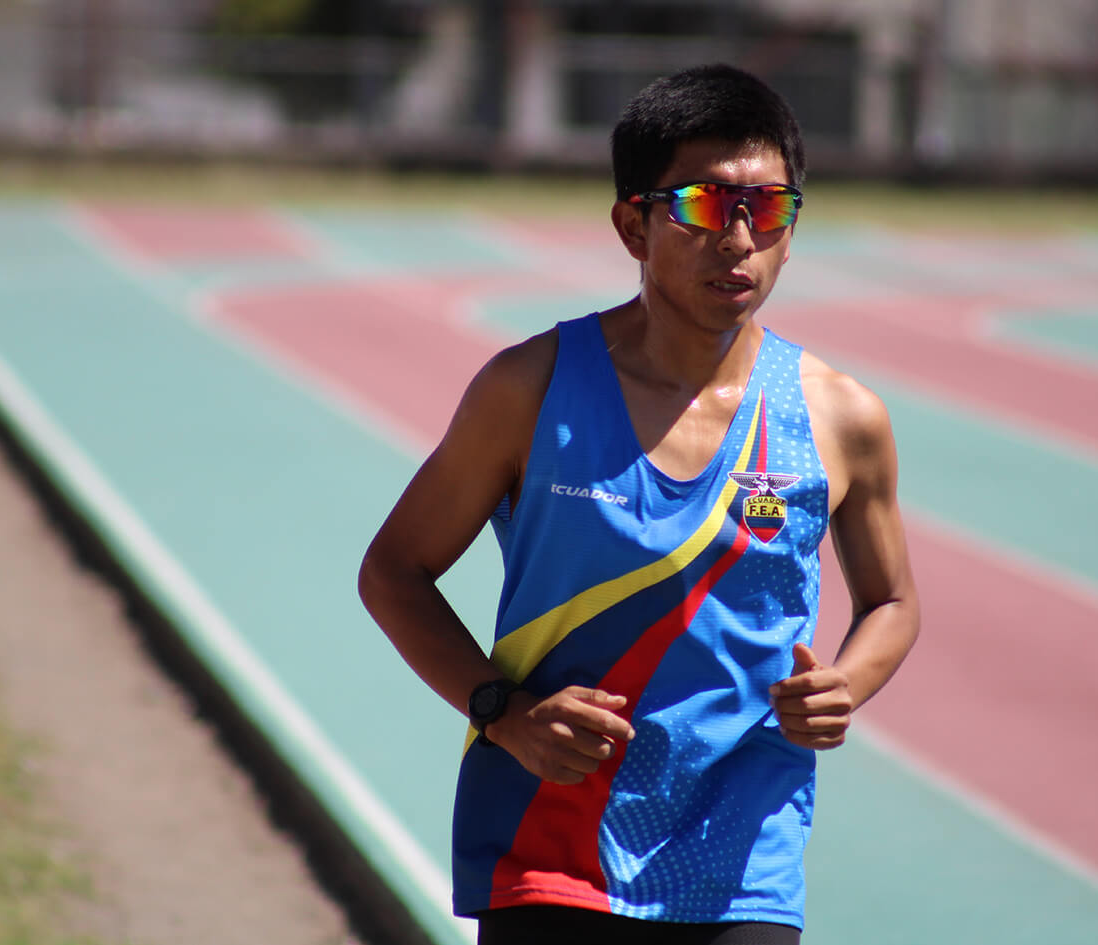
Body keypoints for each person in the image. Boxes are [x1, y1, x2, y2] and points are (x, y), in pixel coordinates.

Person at [359, 63, 919, 945]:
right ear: (632, 224)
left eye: (767, 208)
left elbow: (891, 600)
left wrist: (844, 686)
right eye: (703, 205)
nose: (737, 239)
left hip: (742, 862)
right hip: (551, 848)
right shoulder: (528, 387)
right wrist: (501, 713)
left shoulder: (840, 417)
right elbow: (394, 570)